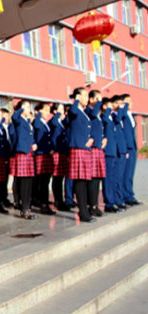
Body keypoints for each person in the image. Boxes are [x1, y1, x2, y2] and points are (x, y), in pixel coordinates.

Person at [67, 87, 95, 223]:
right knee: (79, 180)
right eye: (84, 95)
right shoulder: (75, 110)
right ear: (78, 97)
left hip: (85, 148)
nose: (87, 98)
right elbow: (72, 111)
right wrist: (76, 100)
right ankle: (83, 212)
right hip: (78, 148)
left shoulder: (84, 112)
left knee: (84, 180)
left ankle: (84, 210)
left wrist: (91, 139)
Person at [11, 101, 37, 220]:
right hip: (22, 153)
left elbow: (31, 136)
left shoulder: (27, 121)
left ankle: (27, 207)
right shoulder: (19, 119)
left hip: (29, 153)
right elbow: (14, 117)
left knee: (29, 182)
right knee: (24, 182)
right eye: (26, 107)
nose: (28, 109)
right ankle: (24, 208)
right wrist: (21, 109)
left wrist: (34, 143)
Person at [33, 102, 56, 215]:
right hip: (41, 154)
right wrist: (38, 113)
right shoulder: (37, 121)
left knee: (46, 181)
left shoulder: (46, 123)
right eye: (45, 110)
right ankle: (43, 204)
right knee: (41, 181)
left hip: (47, 154)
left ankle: (45, 202)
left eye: (48, 111)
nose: (48, 113)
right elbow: (36, 125)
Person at [120, 94, 142, 206]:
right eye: (128, 101)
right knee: (126, 173)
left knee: (130, 174)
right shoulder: (123, 114)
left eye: (131, 101)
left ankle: (130, 195)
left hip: (133, 147)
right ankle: (125, 196)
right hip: (127, 147)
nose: (130, 103)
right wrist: (124, 105)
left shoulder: (130, 115)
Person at [87, 90, 106, 216]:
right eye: (98, 99)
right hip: (92, 148)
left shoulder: (97, 114)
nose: (100, 102)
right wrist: (98, 103)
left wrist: (104, 138)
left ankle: (95, 204)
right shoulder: (89, 111)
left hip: (99, 147)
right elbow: (93, 114)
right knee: (93, 178)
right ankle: (91, 205)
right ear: (92, 99)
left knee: (98, 177)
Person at [101, 97, 122, 213]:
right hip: (107, 152)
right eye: (109, 105)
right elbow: (104, 117)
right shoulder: (103, 116)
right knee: (108, 178)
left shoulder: (112, 118)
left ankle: (113, 201)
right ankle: (108, 203)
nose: (112, 107)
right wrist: (108, 109)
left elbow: (118, 119)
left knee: (113, 178)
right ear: (104, 106)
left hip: (113, 151)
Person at [49, 103, 69, 211]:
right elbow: (53, 123)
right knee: (57, 177)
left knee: (61, 177)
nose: (62, 110)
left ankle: (61, 200)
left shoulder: (62, 122)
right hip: (56, 151)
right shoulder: (54, 121)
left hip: (62, 152)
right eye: (60, 108)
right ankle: (57, 200)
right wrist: (57, 114)